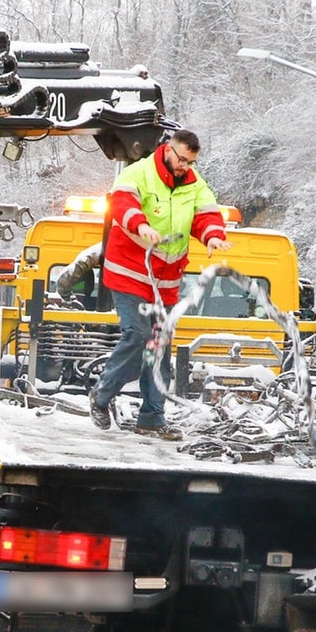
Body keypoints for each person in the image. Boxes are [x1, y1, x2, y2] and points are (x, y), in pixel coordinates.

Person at [90, 129, 232, 440]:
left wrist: (213, 236)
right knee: (138, 334)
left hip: (165, 280)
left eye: (190, 162)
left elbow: (205, 215)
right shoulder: (138, 173)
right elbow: (123, 204)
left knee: (160, 346)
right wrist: (140, 225)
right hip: (129, 273)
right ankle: (101, 395)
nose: (184, 166)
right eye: (181, 159)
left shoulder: (194, 184)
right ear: (168, 150)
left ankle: (152, 419)